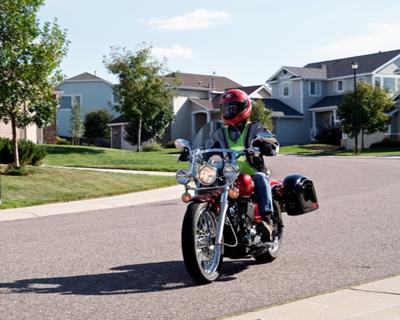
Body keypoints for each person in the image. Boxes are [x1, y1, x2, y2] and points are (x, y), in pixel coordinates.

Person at [206, 89, 279, 241]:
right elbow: (207, 147)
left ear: (244, 108)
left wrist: (266, 144)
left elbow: (273, 143)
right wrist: (194, 152)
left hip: (252, 173)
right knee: (209, 182)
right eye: (227, 108)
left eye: (233, 107)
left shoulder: (255, 128)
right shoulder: (220, 133)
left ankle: (267, 220)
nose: (229, 111)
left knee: (260, 177)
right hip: (228, 176)